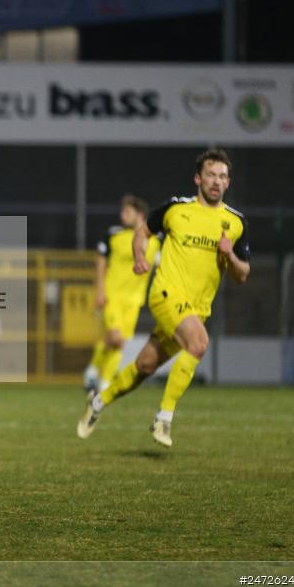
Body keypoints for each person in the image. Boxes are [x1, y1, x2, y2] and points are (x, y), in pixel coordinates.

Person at [77, 148, 250, 448]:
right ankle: (164, 418)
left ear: (228, 183)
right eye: (211, 174)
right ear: (198, 178)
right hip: (166, 294)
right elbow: (142, 232)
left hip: (196, 309)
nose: (216, 181)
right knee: (199, 343)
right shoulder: (175, 209)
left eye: (222, 176)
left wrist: (229, 255)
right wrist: (139, 256)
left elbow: (242, 274)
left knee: (144, 366)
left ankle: (98, 403)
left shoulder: (236, 223)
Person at [82, 194, 161, 394]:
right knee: (116, 338)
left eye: (127, 212)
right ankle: (98, 375)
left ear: (140, 215)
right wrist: (100, 290)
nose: (122, 215)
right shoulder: (114, 234)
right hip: (112, 296)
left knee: (118, 343)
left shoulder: (155, 240)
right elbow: (101, 262)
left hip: (134, 300)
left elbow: (164, 264)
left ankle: (101, 381)